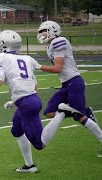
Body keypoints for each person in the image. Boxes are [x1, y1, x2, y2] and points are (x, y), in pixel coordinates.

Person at [0, 30, 70, 173]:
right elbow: (33, 85)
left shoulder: (0, 58)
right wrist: (15, 101)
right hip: (30, 100)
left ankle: (61, 113)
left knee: (39, 144)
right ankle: (29, 165)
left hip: (27, 104)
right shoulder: (28, 59)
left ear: (5, 45)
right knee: (17, 130)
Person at [36, 21, 102, 149]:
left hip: (73, 82)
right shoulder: (49, 45)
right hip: (66, 84)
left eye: (45, 30)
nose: (42, 34)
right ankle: (81, 111)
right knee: (49, 111)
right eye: (41, 32)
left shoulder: (58, 41)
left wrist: (38, 66)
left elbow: (57, 68)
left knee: (79, 117)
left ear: (53, 30)